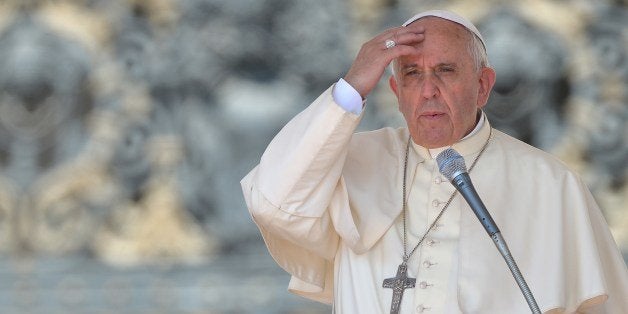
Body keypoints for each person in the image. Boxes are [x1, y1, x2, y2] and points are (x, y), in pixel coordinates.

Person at [240, 9, 628, 314]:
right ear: (395, 90)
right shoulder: (350, 163)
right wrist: (351, 87)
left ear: (482, 86)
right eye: (412, 74)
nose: (428, 90)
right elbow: (273, 204)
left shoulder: (551, 184)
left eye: (445, 71)